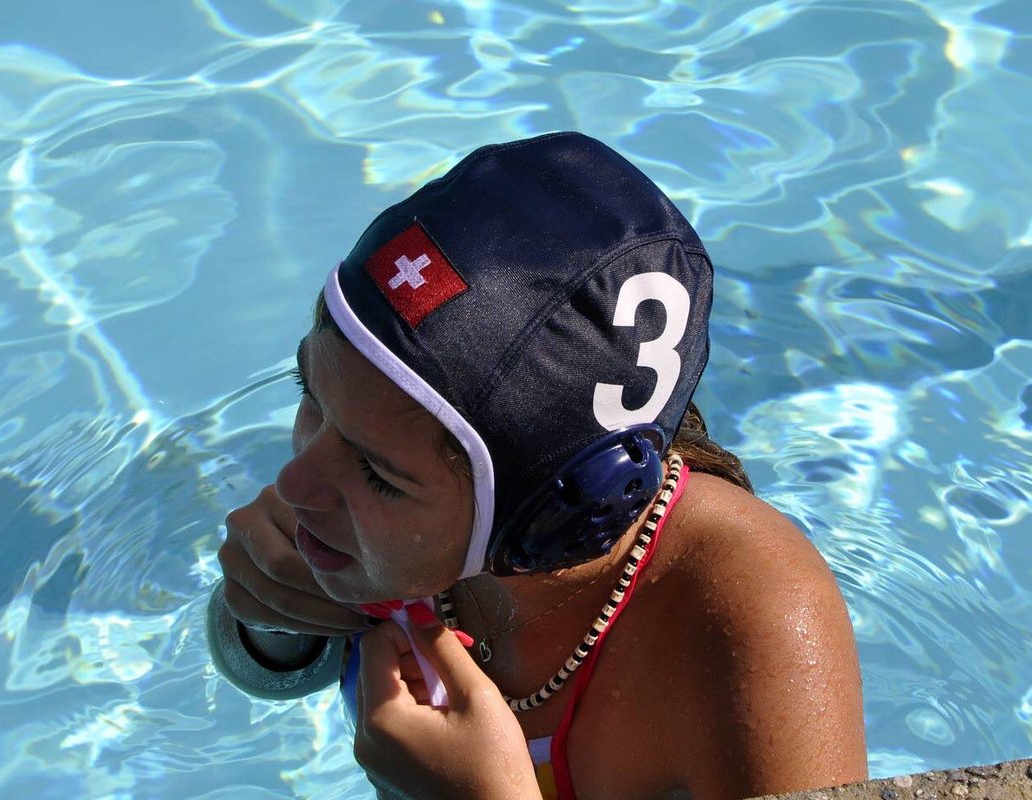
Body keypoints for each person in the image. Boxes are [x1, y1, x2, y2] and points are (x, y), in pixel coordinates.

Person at [208, 132, 867, 800]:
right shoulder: (380, 509)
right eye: (310, 397)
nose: (296, 485)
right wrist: (274, 616)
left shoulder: (752, 622)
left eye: (378, 474)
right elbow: (266, 673)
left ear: (548, 521)